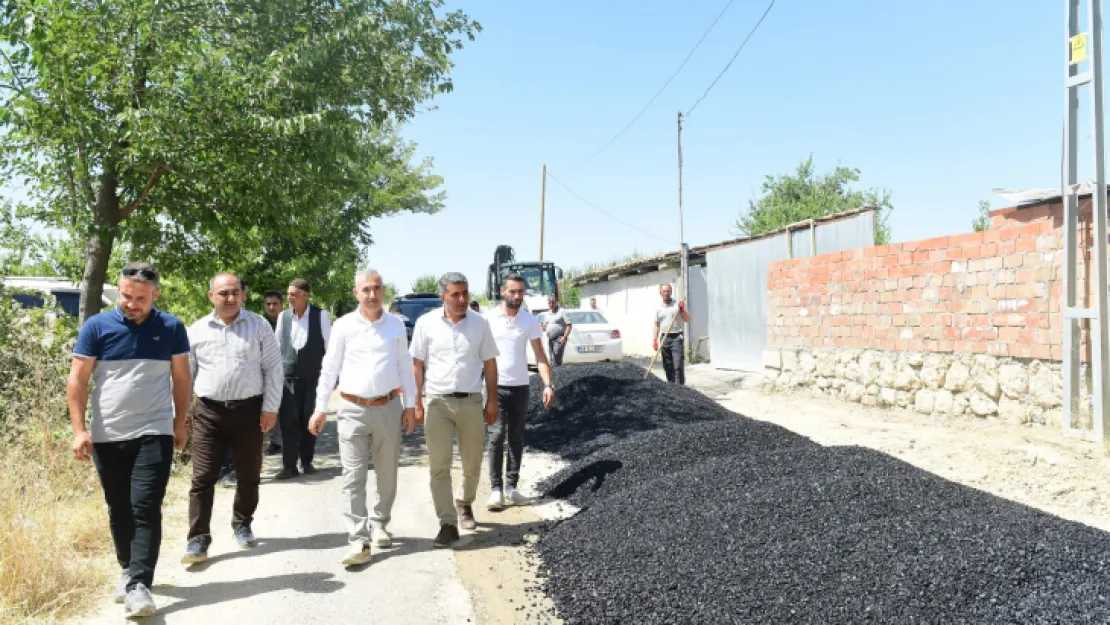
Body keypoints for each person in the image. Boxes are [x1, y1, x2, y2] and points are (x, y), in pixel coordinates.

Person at [66, 262, 191, 619]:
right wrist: (79, 430)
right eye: (125, 296)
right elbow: (77, 380)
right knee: (119, 507)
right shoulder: (96, 327)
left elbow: (181, 379)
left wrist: (179, 423)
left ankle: (139, 584)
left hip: (154, 430)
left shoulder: (171, 327)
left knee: (145, 506)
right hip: (108, 434)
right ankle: (127, 568)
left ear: (156, 294)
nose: (131, 304)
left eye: (140, 298)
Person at [307, 267, 418, 566]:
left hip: (388, 407)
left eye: (377, 288)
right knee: (352, 477)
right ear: (356, 293)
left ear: (383, 291)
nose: (372, 294)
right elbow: (329, 369)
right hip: (352, 409)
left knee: (387, 473)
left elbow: (404, 366)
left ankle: (380, 522)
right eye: (366, 289)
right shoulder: (343, 326)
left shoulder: (395, 326)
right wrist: (319, 408)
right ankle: (358, 539)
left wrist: (411, 405)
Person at [181, 273, 282, 565]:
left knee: (248, 474)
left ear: (244, 294)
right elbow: (186, 375)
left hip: (249, 411)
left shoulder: (259, 326)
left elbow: (274, 369)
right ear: (210, 295)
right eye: (223, 293)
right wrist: (183, 413)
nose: (230, 298)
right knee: (202, 477)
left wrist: (270, 408)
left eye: (235, 292)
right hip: (208, 413)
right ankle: (198, 538)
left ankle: (242, 523)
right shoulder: (197, 330)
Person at [410, 272, 499, 548]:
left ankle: (464, 502)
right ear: (443, 297)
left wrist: (492, 400)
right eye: (455, 295)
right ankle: (447, 523)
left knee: (472, 462)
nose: (462, 300)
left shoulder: (480, 324)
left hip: (471, 401)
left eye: (465, 294)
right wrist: (416, 401)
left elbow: (490, 364)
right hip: (438, 402)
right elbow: (417, 364)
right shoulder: (426, 324)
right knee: (439, 466)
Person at [484, 274, 554, 511]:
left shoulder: (528, 320)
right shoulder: (489, 318)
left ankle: (511, 488)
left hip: (521, 387)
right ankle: (495, 490)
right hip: (494, 387)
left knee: (516, 437)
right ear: (503, 292)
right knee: (496, 436)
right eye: (512, 291)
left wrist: (547, 384)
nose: (517, 296)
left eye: (521, 291)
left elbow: (540, 354)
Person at [274, 278, 331, 479]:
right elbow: (277, 347)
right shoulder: (283, 317)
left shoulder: (321, 316)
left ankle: (306, 461)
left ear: (304, 295)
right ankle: (289, 466)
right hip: (288, 378)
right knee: (288, 422)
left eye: (292, 294)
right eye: (288, 294)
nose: (289, 298)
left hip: (313, 378)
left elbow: (329, 349)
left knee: (310, 420)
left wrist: (330, 378)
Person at [653, 283, 692, 385]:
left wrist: (682, 310)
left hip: (676, 337)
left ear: (671, 292)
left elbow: (688, 320)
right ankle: (671, 387)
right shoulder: (658, 308)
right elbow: (656, 325)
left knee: (677, 365)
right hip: (664, 338)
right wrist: (654, 340)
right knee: (667, 365)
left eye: (668, 291)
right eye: (664, 291)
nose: (666, 293)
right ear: (660, 293)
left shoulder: (677, 305)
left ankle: (680, 389)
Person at [261, 290, 285, 456]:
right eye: (268, 304)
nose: (271, 307)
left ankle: (290, 440)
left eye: (275, 303)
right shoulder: (260, 324)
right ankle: (275, 441)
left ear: (281, 305)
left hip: (287, 372)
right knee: (269, 405)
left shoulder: (289, 321)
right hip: (264, 372)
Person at [541, 295, 572, 366]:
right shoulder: (547, 314)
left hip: (559, 338)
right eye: (549, 303)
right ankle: (554, 374)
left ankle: (558, 375)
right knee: (551, 359)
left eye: (553, 302)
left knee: (556, 360)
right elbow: (545, 328)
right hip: (550, 339)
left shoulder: (562, 312)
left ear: (556, 302)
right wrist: (542, 327)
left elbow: (569, 325)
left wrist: (564, 337)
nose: (551, 304)